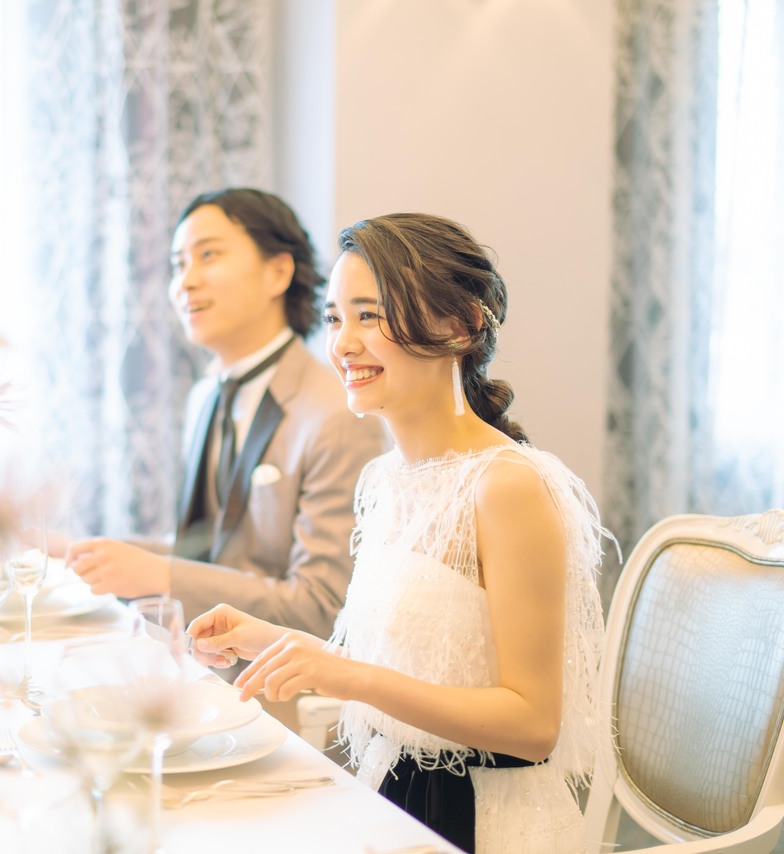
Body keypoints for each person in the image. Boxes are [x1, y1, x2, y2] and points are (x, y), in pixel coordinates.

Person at [187, 213, 609, 853]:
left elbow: (533, 725)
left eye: (370, 315)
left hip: (481, 820)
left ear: (462, 325)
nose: (344, 344)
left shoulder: (507, 486)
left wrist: (346, 676)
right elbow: (405, 666)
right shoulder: (385, 479)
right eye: (335, 318)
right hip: (393, 796)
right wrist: (270, 640)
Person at [66, 188, 386, 642]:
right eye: (178, 264)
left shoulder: (334, 413)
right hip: (194, 656)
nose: (185, 282)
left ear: (278, 272)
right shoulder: (204, 396)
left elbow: (321, 608)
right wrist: (91, 554)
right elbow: (215, 551)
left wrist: (161, 575)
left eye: (208, 255)